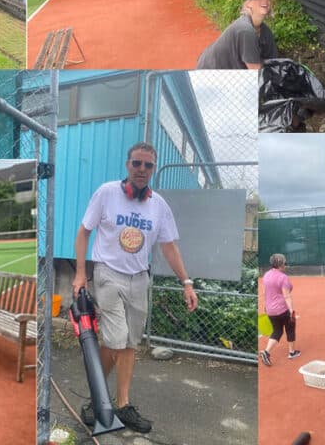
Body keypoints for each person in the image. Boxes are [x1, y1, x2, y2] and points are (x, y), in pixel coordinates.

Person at [73, 142, 198, 434]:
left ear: (153, 169)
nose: (142, 169)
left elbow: (169, 246)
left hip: (139, 278)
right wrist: (80, 274)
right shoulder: (106, 193)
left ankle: (117, 403)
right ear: (128, 165)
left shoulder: (159, 205)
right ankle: (104, 400)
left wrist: (187, 282)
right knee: (117, 338)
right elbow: (83, 232)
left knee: (129, 343)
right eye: (137, 163)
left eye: (148, 165)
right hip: (108, 274)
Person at [196, 0, 278, 69]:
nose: (264, 0)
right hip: (210, 71)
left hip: (232, 72)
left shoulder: (266, 32)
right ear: (248, 4)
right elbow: (256, 71)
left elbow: (275, 63)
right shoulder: (245, 30)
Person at [259, 253, 300, 366]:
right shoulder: (283, 277)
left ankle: (266, 352)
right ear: (281, 265)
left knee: (277, 331)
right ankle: (292, 352)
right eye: (285, 263)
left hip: (270, 310)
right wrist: (291, 310)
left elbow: (265, 292)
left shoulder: (266, 275)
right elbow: (286, 296)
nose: (285, 265)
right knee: (290, 329)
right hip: (282, 309)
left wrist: (266, 306)